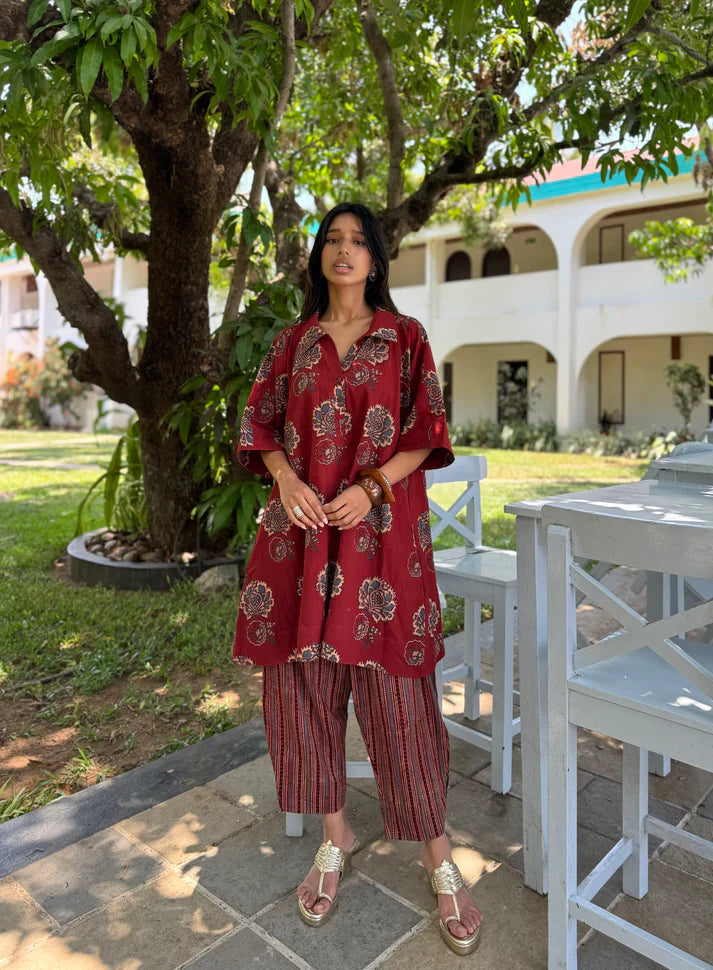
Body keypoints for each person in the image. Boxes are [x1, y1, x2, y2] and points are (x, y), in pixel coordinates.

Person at [233, 202, 482, 955]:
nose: (344, 251)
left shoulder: (404, 338)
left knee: (400, 696)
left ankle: (436, 852)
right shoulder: (292, 342)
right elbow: (260, 424)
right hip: (300, 537)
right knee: (302, 690)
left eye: (358, 241)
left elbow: (425, 433)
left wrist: (370, 489)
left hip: (381, 540)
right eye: (332, 240)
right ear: (319, 256)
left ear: (376, 258)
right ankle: (333, 835)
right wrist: (284, 479)